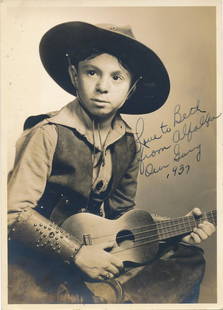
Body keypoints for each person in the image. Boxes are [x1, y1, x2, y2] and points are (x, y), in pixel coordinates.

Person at [8, 21, 216, 304]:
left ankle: (105, 295)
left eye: (117, 77)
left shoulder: (127, 142)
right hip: (42, 250)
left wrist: (176, 231)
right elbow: (13, 214)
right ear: (74, 74)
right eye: (92, 72)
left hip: (95, 244)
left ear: (132, 88)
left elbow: (122, 220)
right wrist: (77, 253)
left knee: (189, 257)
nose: (103, 87)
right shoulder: (47, 133)